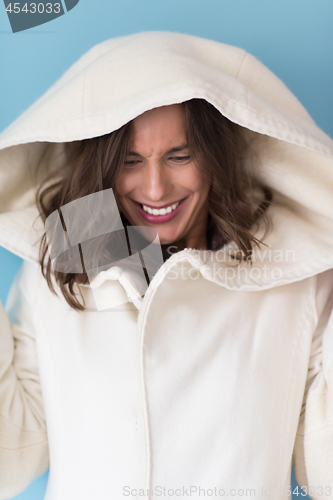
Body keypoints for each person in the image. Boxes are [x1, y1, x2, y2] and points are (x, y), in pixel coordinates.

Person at [0, 31, 333, 500]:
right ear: (103, 166)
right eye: (131, 161)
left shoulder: (297, 275)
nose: (155, 190)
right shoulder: (58, 266)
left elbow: (324, 471)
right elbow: (11, 456)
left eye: (180, 156)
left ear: (216, 157)